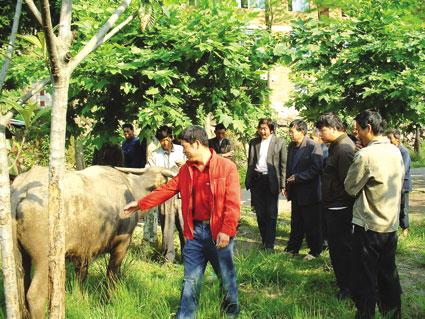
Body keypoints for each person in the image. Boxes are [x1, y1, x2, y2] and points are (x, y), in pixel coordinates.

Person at [123, 125, 240, 319]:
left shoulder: (226, 167)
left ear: (196, 144)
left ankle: (230, 315)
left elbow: (233, 203)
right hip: (194, 234)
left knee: (227, 280)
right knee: (190, 282)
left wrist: (227, 230)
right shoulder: (186, 170)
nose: (183, 152)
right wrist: (140, 204)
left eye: (185, 147)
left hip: (218, 233)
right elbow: (167, 189)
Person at [345, 109, 404, 319]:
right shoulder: (395, 151)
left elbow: (350, 187)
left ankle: (365, 315)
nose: (356, 134)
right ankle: (393, 313)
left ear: (367, 128)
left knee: (365, 278)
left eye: (357, 130)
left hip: (369, 226)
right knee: (388, 273)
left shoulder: (365, 155)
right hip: (390, 225)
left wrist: (359, 154)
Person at [315, 113, 355, 299]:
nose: (320, 134)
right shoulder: (336, 146)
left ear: (334, 128)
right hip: (333, 206)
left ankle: (347, 288)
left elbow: (349, 184)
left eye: (322, 130)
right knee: (337, 249)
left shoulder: (344, 148)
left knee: (342, 250)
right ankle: (343, 283)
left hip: (340, 208)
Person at [146, 125, 186, 263]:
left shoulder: (182, 150)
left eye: (166, 140)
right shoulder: (155, 155)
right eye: (161, 140)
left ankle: (188, 257)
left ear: (172, 137)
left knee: (184, 226)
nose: (164, 143)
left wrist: (184, 165)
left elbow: (195, 165)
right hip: (165, 195)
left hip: (182, 194)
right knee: (167, 229)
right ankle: (168, 258)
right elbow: (148, 172)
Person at [284, 119, 323, 260]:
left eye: (292, 131)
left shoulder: (313, 146)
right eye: (290, 131)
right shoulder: (291, 146)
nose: (290, 134)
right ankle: (293, 248)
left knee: (311, 223)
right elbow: (289, 167)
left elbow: (316, 169)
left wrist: (298, 177)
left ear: (302, 131)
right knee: (296, 222)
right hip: (295, 191)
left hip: (310, 192)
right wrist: (287, 185)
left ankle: (315, 251)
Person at [245, 118, 287, 251]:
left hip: (271, 180)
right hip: (257, 180)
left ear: (271, 129)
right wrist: (248, 180)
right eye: (260, 128)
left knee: (271, 213)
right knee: (260, 213)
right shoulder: (254, 142)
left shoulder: (279, 142)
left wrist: (283, 184)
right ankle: (264, 241)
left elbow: (283, 165)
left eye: (265, 129)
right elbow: (251, 162)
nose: (262, 131)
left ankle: (270, 244)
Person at [386, 129, 412, 237]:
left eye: (390, 138)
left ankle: (405, 229)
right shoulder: (390, 151)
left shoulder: (404, 152)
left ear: (397, 139)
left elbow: (403, 169)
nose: (388, 141)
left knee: (403, 208)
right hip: (393, 184)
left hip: (403, 185)